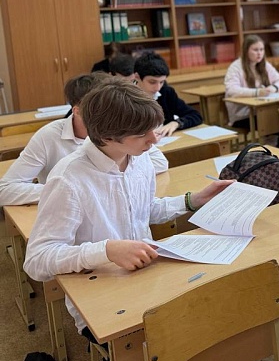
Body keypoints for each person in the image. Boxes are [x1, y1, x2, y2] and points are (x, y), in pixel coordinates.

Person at [23, 78, 233, 338]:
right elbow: (37, 260)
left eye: (152, 129)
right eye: (142, 134)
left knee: (223, 313)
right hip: (102, 297)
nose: (153, 140)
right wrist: (107, 250)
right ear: (107, 137)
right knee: (189, 336)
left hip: (148, 275)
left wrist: (192, 201)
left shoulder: (138, 159)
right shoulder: (68, 179)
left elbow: (143, 211)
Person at [0, 73, 168, 206]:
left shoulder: (120, 133)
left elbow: (159, 162)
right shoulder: (49, 136)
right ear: (78, 111)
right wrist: (70, 190)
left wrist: (111, 183)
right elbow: (5, 190)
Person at [133, 52, 203, 136]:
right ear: (137, 77)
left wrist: (176, 123)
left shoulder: (166, 92)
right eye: (152, 82)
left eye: (162, 82)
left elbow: (195, 115)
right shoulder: (124, 97)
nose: (158, 88)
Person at [224, 35, 279, 128]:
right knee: (276, 120)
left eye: (261, 49)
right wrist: (257, 92)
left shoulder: (264, 65)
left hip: (261, 109)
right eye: (255, 50)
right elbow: (231, 90)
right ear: (246, 51)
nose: (259, 53)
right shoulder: (235, 67)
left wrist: (274, 88)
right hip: (243, 115)